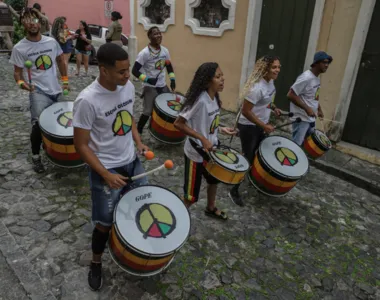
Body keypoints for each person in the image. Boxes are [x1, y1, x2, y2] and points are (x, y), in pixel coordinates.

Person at [73, 43, 149, 291]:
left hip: (132, 161)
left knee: (141, 205)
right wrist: (106, 174)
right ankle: (96, 262)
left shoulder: (126, 86)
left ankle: (134, 247)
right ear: (103, 70)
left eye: (128, 70)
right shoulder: (87, 100)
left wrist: (138, 143)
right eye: (122, 71)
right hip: (105, 170)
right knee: (104, 222)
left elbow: (129, 120)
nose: (128, 75)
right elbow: (81, 146)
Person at [9, 8, 69, 173]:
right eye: (27, 20)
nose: (32, 24)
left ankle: (57, 150)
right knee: (38, 124)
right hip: (38, 91)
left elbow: (61, 60)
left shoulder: (51, 42)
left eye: (34, 20)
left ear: (39, 22)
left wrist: (65, 81)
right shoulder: (20, 48)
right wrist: (22, 83)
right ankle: (36, 157)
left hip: (56, 90)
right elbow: (17, 72)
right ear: (23, 24)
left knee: (65, 120)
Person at [174, 62, 237, 220]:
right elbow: (178, 123)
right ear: (207, 81)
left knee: (213, 180)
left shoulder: (214, 97)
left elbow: (208, 122)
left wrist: (221, 129)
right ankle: (175, 218)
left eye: (222, 76)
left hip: (211, 150)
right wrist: (202, 138)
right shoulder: (199, 100)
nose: (222, 79)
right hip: (196, 153)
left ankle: (210, 207)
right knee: (191, 196)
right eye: (218, 77)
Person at [228, 56, 282, 206]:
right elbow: (246, 111)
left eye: (278, 67)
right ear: (265, 69)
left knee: (257, 154)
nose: (277, 70)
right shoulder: (257, 88)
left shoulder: (270, 83)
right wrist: (264, 126)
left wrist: (273, 107)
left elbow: (266, 101)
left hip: (259, 125)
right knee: (248, 157)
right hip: (248, 126)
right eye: (274, 67)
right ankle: (234, 189)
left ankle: (250, 177)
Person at [132, 26, 176, 134]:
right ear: (150, 37)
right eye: (155, 34)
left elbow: (169, 66)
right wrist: (147, 79)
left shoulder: (165, 51)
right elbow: (134, 70)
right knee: (147, 111)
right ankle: (139, 130)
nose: (159, 35)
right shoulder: (144, 53)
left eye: (159, 33)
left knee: (167, 108)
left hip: (162, 85)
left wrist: (172, 79)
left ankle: (159, 130)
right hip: (150, 86)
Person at [287, 51, 333, 146]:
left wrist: (319, 109)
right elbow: (291, 95)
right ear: (316, 63)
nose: (327, 65)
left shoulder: (316, 78)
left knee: (308, 144)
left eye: (328, 63)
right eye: (324, 62)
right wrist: (307, 109)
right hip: (301, 118)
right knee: (296, 146)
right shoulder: (306, 78)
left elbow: (314, 96)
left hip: (310, 118)